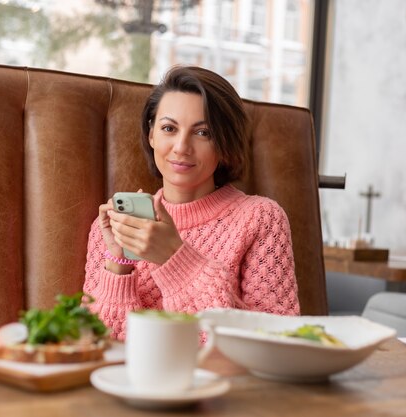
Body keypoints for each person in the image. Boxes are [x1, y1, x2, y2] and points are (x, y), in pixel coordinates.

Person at [83, 66, 299, 340]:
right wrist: (118, 264)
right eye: (169, 128)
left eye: (203, 133)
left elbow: (274, 342)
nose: (181, 147)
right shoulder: (114, 227)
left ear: (224, 143)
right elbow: (95, 345)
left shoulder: (261, 218)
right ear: (151, 135)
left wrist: (174, 258)